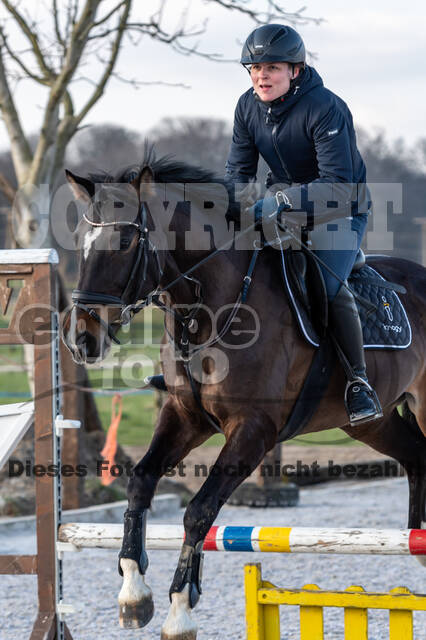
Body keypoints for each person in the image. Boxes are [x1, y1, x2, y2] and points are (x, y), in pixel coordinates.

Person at [225, 23, 382, 425]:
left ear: (295, 70)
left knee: (326, 286)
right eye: (254, 68)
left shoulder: (326, 107)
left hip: (340, 209)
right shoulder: (246, 107)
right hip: (284, 208)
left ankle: (358, 383)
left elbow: (338, 185)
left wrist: (277, 200)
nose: (261, 75)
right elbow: (238, 173)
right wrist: (227, 209)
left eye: (272, 67)